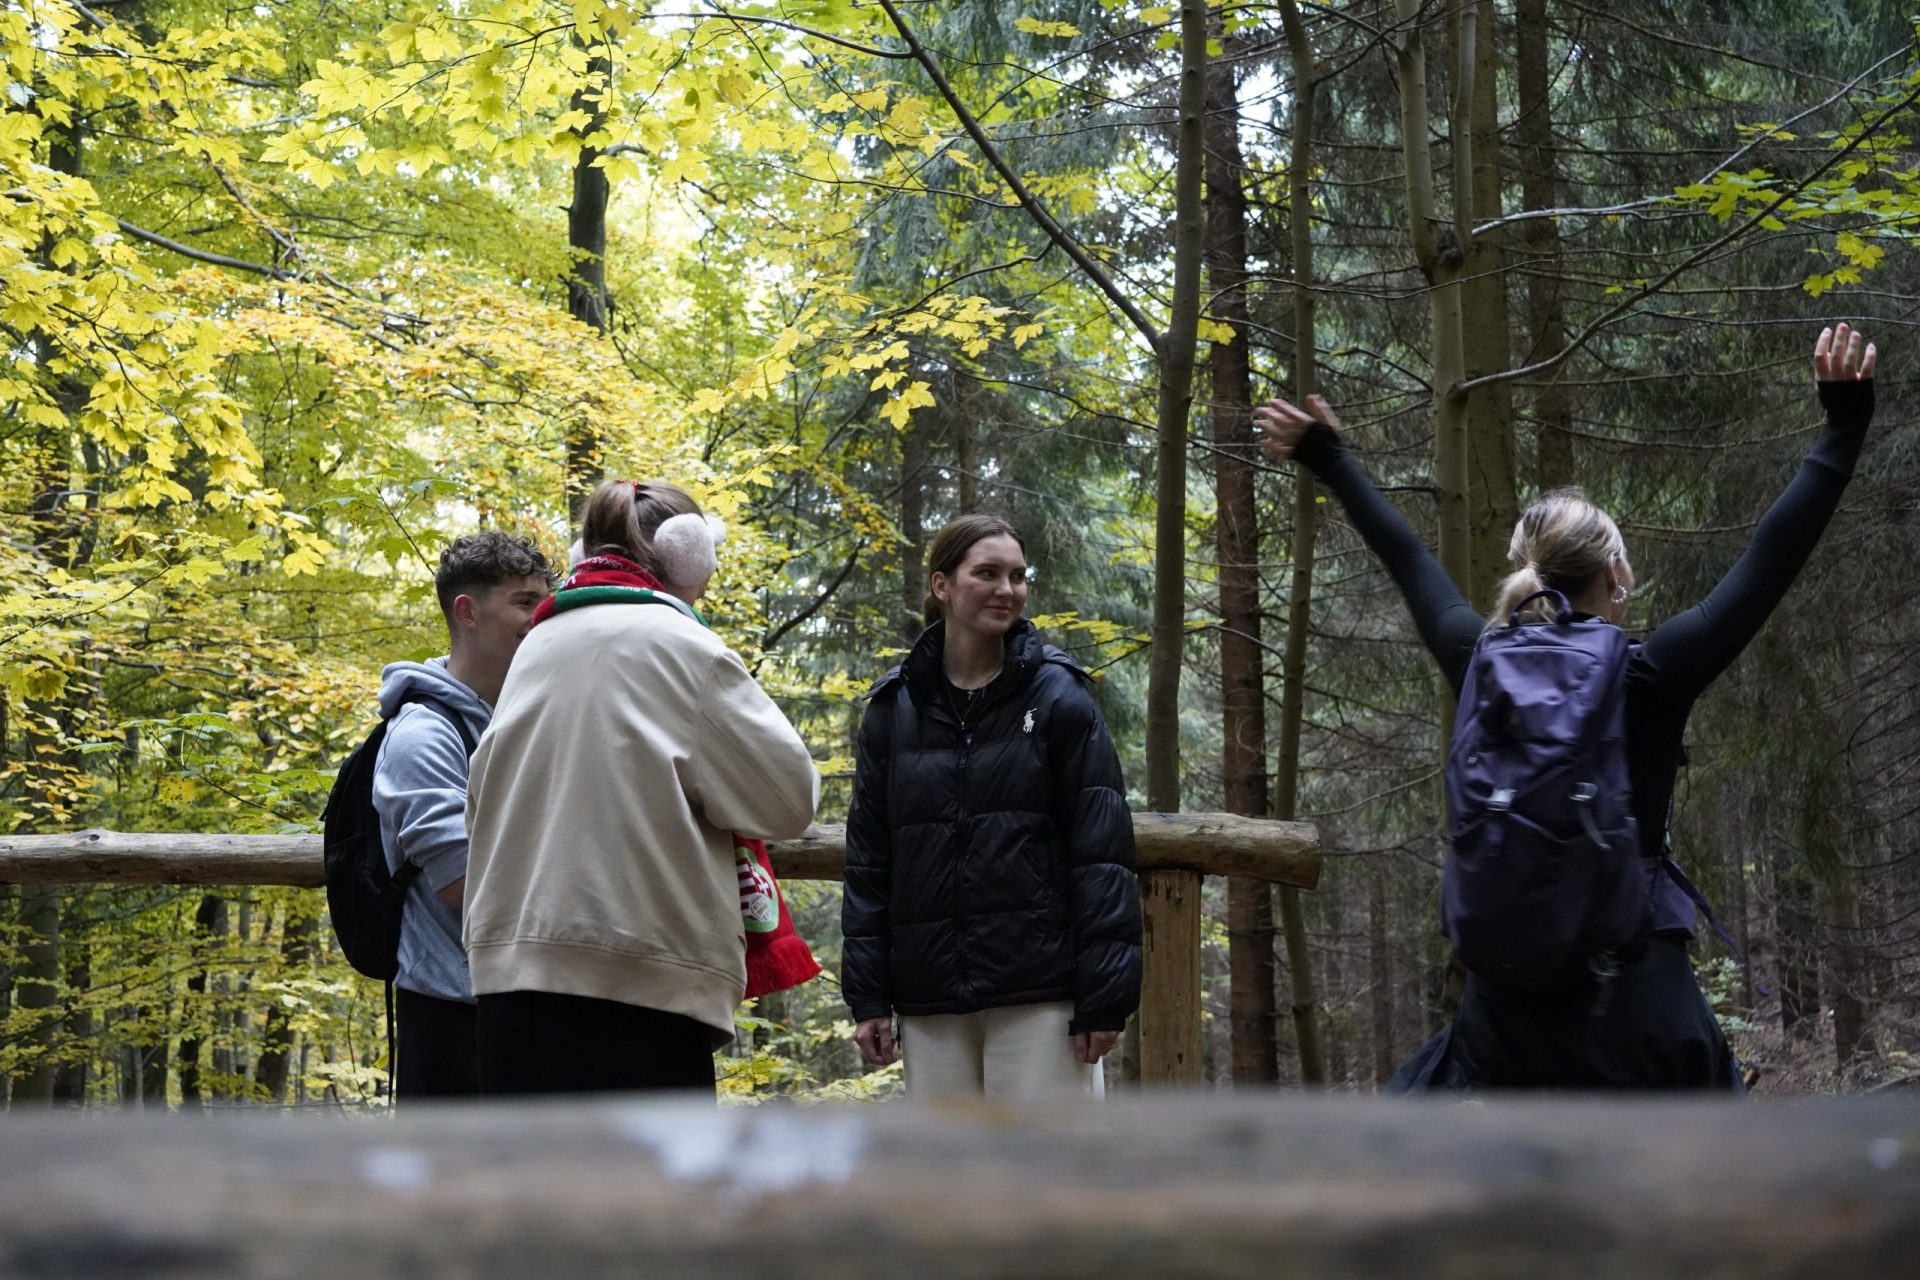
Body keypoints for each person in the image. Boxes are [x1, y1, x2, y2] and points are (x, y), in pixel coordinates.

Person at [1255, 323, 1879, 1090]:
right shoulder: (1650, 674)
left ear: (1528, 571)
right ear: (1616, 576)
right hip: (1634, 995)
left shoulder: (1479, 657)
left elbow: (1408, 557)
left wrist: (1331, 459)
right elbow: (1770, 558)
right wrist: (1844, 426)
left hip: (1504, 1008)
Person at [462, 479, 819, 1096]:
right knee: (648, 1192)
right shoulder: (683, 645)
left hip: (508, 978)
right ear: (690, 555)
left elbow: (479, 797)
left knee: (532, 1191)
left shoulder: (537, 645)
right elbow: (788, 799)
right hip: (638, 981)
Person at [842, 514, 1143, 1098]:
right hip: (930, 998)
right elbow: (870, 864)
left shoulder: (1059, 695)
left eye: (1017, 575)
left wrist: (1104, 995)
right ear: (942, 585)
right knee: (949, 1182)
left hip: (1042, 993)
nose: (1007, 590)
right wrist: (869, 996)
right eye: (987, 573)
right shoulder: (893, 709)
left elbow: (1101, 852)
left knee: (1047, 1180)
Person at [372, 532, 554, 1100]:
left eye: (544, 602)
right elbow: (464, 884)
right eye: (525, 602)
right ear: (467, 612)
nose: (541, 617)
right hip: (451, 1019)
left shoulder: (526, 719)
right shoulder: (422, 736)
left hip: (522, 1007)